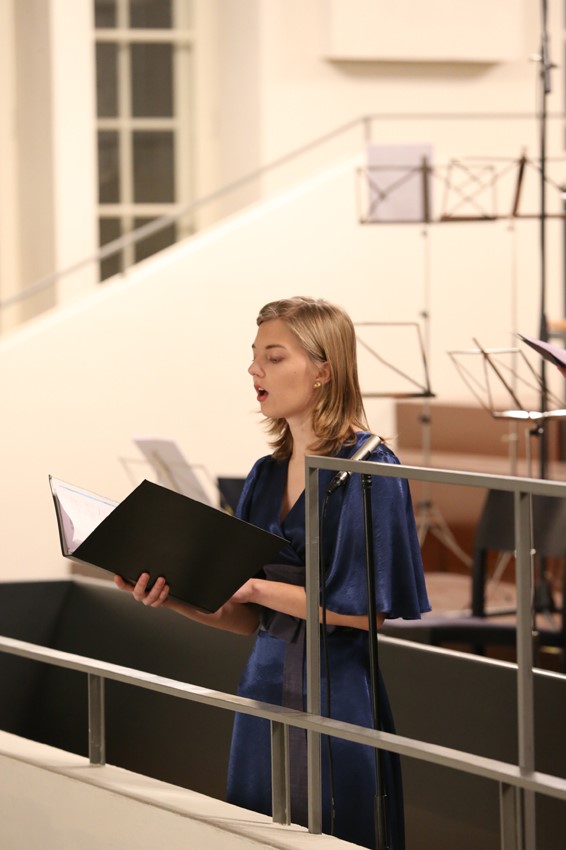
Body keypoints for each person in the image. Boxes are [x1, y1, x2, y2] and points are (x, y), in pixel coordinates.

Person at [115, 295, 430, 850]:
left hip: (336, 696)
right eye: (255, 355)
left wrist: (257, 586)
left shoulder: (370, 470)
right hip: (261, 691)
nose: (254, 369)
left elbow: (364, 616)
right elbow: (244, 619)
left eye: (274, 357)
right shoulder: (264, 475)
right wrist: (174, 596)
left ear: (324, 369)